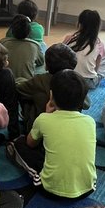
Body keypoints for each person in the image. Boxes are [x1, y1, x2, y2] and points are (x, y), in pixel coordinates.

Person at [8, 69, 96, 198]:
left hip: (50, 190)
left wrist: (46, 114)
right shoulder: (90, 121)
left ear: (51, 95)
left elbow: (30, 143)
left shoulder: (44, 119)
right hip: (89, 188)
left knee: (17, 144)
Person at [16, 42, 77, 133]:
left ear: (46, 66)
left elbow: (19, 88)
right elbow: (86, 104)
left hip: (40, 127)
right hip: (69, 127)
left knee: (26, 93)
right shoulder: (77, 81)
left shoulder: (39, 80)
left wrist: (19, 80)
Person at [63, 9, 105, 90]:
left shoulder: (69, 38)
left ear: (79, 23)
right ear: (97, 27)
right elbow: (95, 70)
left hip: (66, 77)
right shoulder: (99, 44)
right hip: (87, 83)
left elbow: (60, 54)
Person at [1, 13, 45, 81]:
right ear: (29, 32)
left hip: (6, 82)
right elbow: (41, 62)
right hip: (25, 84)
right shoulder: (35, 45)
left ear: (12, 30)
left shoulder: (3, 42)